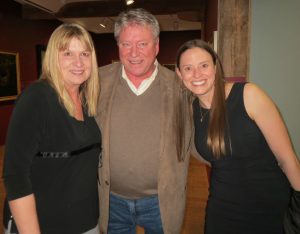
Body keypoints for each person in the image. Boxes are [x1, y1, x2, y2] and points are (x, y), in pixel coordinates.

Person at [175, 39, 300, 234]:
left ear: (216, 67)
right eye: (188, 68)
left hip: (269, 204)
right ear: (179, 74)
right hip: (223, 207)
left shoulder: (249, 95)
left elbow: (287, 159)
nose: (197, 74)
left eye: (204, 65)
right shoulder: (192, 111)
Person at [95, 8, 194, 234]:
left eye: (142, 43)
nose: (134, 53)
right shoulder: (99, 81)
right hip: (112, 202)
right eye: (126, 44)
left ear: (156, 46)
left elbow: (196, 139)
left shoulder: (180, 87)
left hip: (161, 202)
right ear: (118, 46)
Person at [2, 23, 101, 234]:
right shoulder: (37, 98)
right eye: (67, 53)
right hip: (43, 225)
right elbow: (16, 176)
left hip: (86, 223)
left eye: (84, 53)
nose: (78, 62)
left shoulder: (87, 101)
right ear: (53, 58)